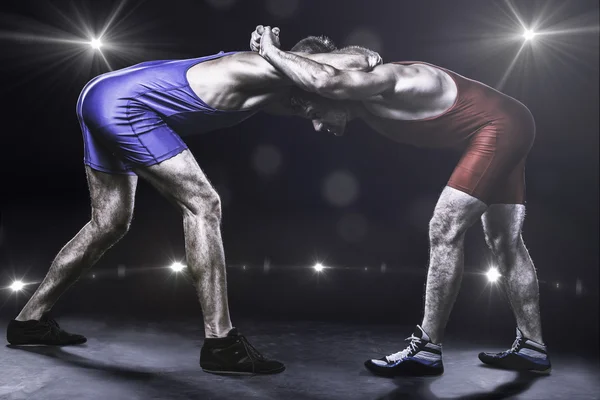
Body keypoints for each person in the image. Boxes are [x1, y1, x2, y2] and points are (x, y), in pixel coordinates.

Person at [5, 29, 381, 376]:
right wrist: (373, 59)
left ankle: (29, 322)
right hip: (125, 107)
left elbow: (318, 95)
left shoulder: (280, 91)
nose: (326, 125)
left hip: (99, 94)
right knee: (204, 205)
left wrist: (332, 106)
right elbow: (355, 59)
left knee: (109, 222)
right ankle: (221, 343)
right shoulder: (271, 69)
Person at [251, 25, 551, 376]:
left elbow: (325, 80)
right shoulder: (365, 99)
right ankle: (532, 347)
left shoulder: (385, 81)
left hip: (499, 129)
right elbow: (339, 68)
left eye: (314, 113)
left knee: (444, 227)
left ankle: (426, 348)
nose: (317, 126)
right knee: (505, 241)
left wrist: (270, 50)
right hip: (511, 122)